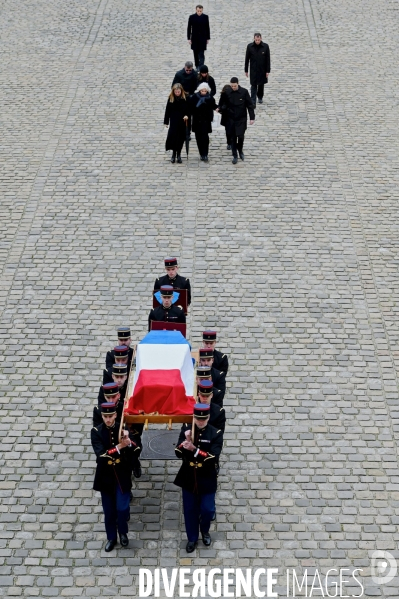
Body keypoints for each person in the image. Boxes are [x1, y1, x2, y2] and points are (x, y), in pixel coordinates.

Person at [91, 401, 142, 551]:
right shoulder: (96, 432)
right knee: (109, 511)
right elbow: (101, 456)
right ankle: (111, 538)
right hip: (105, 475)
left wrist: (129, 442)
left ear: (115, 415)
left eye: (110, 416)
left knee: (122, 508)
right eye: (105, 416)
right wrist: (120, 446)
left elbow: (137, 448)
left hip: (121, 475)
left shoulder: (123, 428)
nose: (108, 419)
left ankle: (123, 532)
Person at [174, 403, 223, 552]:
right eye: (197, 419)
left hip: (207, 477)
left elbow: (212, 457)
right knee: (190, 510)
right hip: (189, 476)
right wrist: (185, 442)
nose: (200, 422)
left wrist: (195, 449)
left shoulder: (215, 433)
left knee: (207, 509)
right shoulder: (186, 430)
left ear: (208, 418)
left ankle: (205, 530)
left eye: (203, 419)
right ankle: (192, 538)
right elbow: (177, 452)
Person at [221, 77, 254, 164]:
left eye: (235, 86)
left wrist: (252, 117)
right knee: (233, 137)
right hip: (231, 118)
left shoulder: (244, 92)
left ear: (238, 84)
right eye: (232, 86)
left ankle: (240, 150)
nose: (233, 88)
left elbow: (249, 105)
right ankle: (234, 155)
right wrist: (222, 109)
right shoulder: (227, 92)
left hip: (241, 118)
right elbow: (222, 103)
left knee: (241, 136)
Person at [189, 82, 217, 162]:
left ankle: (205, 154)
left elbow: (213, 105)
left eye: (205, 91)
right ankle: (201, 153)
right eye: (202, 91)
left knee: (205, 138)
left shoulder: (210, 98)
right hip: (197, 120)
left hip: (206, 120)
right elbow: (190, 107)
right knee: (198, 138)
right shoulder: (194, 97)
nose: (204, 92)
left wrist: (218, 109)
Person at [164, 84, 190, 164]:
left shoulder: (186, 97)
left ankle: (179, 154)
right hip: (174, 120)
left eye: (178, 92)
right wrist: (166, 122)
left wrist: (187, 115)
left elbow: (189, 109)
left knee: (180, 138)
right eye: (176, 92)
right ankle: (173, 154)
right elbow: (167, 110)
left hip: (182, 120)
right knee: (173, 137)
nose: (177, 93)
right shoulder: (171, 98)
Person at [245, 32, 271, 108]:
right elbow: (247, 59)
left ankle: (260, 96)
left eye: (258, 40)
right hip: (253, 70)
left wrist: (267, 71)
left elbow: (268, 59)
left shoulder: (265, 47)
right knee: (253, 85)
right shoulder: (250, 47)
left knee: (261, 84)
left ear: (261, 38)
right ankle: (253, 101)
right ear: (254, 39)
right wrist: (246, 70)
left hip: (262, 70)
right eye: (256, 40)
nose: (257, 41)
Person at [218, 84, 232, 149]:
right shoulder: (223, 95)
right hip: (226, 116)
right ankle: (229, 143)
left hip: (233, 115)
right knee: (228, 131)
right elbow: (220, 105)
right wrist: (221, 108)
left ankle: (232, 143)